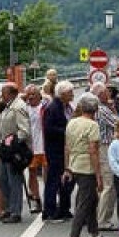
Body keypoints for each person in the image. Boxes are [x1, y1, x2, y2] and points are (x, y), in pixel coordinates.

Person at [63, 95, 116, 237]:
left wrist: (67, 167)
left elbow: (67, 146)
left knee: (92, 200)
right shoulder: (92, 125)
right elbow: (93, 151)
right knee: (84, 203)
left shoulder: (72, 122)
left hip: (75, 163)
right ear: (96, 110)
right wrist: (98, 175)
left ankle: (95, 235)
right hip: (87, 166)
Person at [0, 83, 31, 224]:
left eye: (3, 92)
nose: (1, 95)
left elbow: (24, 130)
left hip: (14, 150)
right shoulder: (9, 105)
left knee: (14, 181)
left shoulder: (18, 107)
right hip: (5, 148)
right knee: (3, 181)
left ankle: (15, 212)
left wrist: (13, 143)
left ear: (11, 93)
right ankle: (9, 208)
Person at [44, 80, 75, 221]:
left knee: (67, 179)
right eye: (70, 92)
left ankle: (64, 208)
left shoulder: (67, 107)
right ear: (62, 94)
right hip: (56, 149)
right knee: (54, 180)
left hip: (65, 148)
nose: (72, 95)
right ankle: (49, 210)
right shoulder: (53, 108)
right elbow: (49, 129)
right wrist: (67, 131)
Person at [90, 83, 119, 230]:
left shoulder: (98, 109)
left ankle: (98, 217)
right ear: (100, 94)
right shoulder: (102, 109)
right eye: (106, 92)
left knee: (102, 184)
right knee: (109, 184)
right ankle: (103, 220)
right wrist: (114, 109)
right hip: (105, 146)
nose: (109, 94)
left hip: (101, 147)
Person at [23, 85, 47, 214]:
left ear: (39, 95)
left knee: (47, 173)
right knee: (32, 173)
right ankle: (37, 199)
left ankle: (49, 197)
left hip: (45, 146)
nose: (31, 96)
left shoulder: (45, 107)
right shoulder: (24, 109)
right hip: (31, 147)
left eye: (33, 94)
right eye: (29, 94)